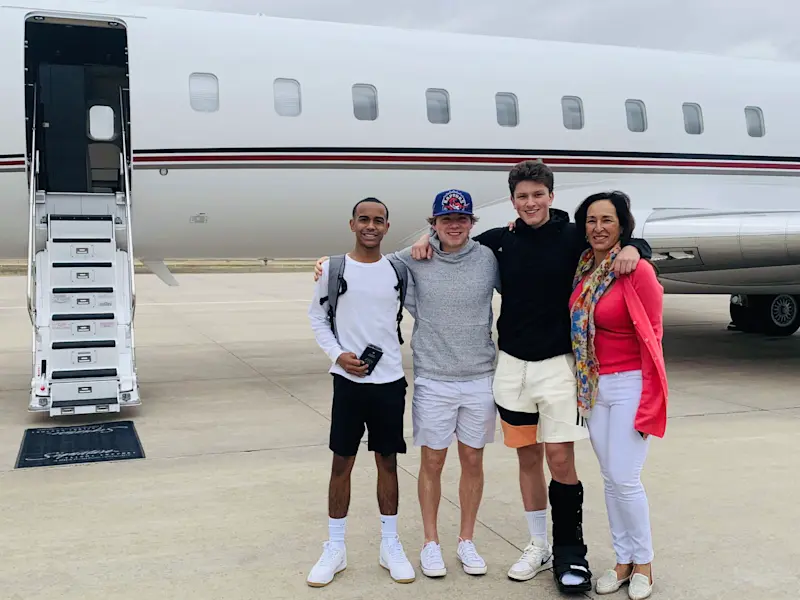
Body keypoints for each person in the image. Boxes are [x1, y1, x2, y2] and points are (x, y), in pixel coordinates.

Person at [410, 160, 652, 594]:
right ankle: (538, 544)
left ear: (551, 197)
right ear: (513, 200)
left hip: (559, 366)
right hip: (511, 368)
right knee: (527, 459)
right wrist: (424, 239)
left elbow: (615, 239)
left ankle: (570, 552)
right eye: (522, 196)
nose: (530, 203)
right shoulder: (500, 241)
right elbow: (454, 237)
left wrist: (636, 248)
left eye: (538, 195)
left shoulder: (573, 236)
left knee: (560, 459)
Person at [313, 189, 501, 578]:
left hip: (472, 376)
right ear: (432, 225)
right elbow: (342, 287)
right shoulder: (407, 261)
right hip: (429, 377)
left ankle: (460, 541)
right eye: (445, 219)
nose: (454, 224)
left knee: (465, 461)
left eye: (461, 218)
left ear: (471, 223)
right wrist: (325, 269)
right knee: (416, 462)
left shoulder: (487, 258)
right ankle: (422, 544)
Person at [306, 197, 416, 587]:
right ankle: (335, 547)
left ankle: (390, 543)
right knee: (342, 464)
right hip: (349, 382)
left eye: (379, 220)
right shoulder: (333, 268)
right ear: (352, 224)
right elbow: (317, 317)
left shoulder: (398, 269)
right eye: (364, 219)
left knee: (387, 463)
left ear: (387, 226)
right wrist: (338, 355)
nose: (371, 226)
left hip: (388, 383)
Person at [568, 191, 667, 600]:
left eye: (607, 220)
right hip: (595, 386)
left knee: (626, 479)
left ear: (622, 225)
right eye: (591, 220)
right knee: (610, 479)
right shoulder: (585, 267)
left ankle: (644, 562)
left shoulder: (636, 270)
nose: (598, 228)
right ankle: (622, 559)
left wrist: (650, 397)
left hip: (629, 383)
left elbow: (654, 333)